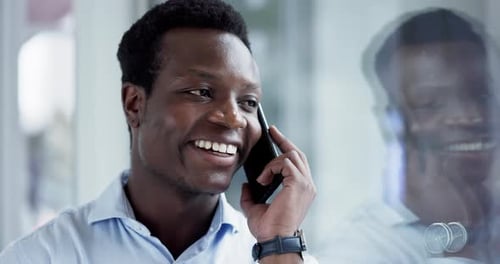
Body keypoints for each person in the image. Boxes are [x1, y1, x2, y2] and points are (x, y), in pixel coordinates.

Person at [0, 0, 316, 263]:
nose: (234, 118)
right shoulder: (44, 256)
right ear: (135, 104)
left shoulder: (276, 251)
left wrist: (278, 245)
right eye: (202, 92)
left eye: (248, 102)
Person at [319, 8, 500, 263]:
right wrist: (456, 237)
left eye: (482, 96)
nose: (471, 117)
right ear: (392, 124)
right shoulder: (358, 249)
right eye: (431, 103)